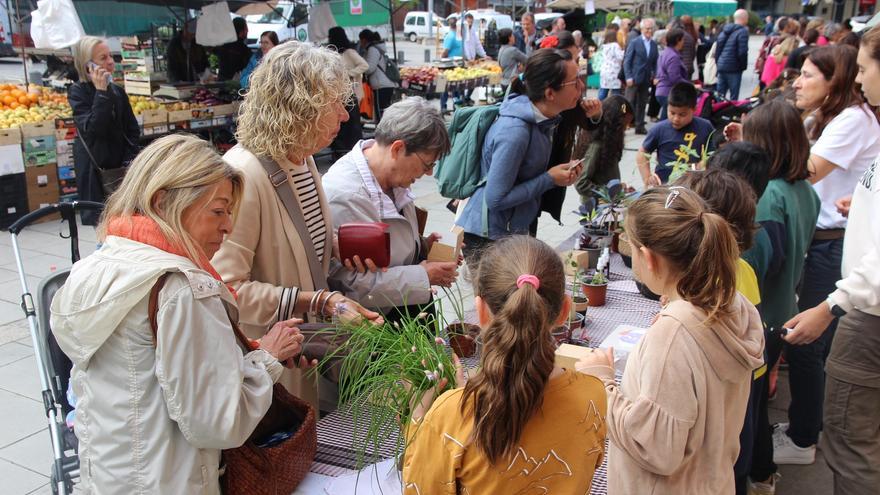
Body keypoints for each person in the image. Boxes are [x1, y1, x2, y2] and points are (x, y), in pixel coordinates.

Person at [50, 134, 308, 493]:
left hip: (113, 477)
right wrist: (267, 358)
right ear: (163, 201)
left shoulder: (99, 263)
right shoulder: (180, 288)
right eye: (218, 210)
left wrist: (237, 352)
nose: (228, 226)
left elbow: (147, 373)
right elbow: (219, 421)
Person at [212, 42, 382, 413]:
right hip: (268, 366)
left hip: (303, 350)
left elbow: (298, 240)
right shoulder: (244, 173)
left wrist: (337, 246)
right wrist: (320, 300)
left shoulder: (300, 160)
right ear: (299, 107)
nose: (343, 115)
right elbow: (228, 290)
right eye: (333, 103)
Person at [577, 185, 764, 494]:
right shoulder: (732, 303)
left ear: (648, 258)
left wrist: (602, 384)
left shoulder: (674, 334)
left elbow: (654, 448)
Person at [402, 236, 607, 494]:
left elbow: (420, 488)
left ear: (481, 310)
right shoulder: (593, 395)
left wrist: (419, 419)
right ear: (565, 311)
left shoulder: (452, 413)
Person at [769, 44, 880, 466]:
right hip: (831, 241)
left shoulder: (852, 119)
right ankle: (804, 430)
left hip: (834, 251)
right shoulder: (835, 117)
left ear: (835, 81)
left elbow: (804, 169)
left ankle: (802, 439)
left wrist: (761, 144)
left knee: (807, 344)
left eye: (809, 75)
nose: (797, 82)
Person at [723, 100, 821, 494]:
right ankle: (763, 474)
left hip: (760, 315)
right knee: (758, 405)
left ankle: (750, 476)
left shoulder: (767, 198)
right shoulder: (803, 190)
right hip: (783, 308)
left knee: (746, 413)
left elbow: (760, 259)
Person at [676, 165, 770, 495]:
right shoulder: (740, 267)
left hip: (725, 404)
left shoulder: (708, 287)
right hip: (746, 388)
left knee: (725, 469)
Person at [324, 98, 457, 320]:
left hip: (405, 305)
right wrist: (424, 275)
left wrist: (422, 247)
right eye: (427, 165)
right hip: (375, 322)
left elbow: (388, 249)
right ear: (397, 148)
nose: (429, 174)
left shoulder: (394, 179)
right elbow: (351, 285)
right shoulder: (345, 195)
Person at [455, 49, 586, 264]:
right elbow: (495, 199)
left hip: (509, 231)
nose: (581, 87)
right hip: (489, 238)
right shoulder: (515, 132)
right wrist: (549, 179)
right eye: (574, 83)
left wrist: (557, 176)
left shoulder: (543, 120)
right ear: (550, 93)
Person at [69, 36, 140, 226]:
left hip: (120, 169)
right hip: (96, 171)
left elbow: (132, 130)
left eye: (110, 56)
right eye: (103, 58)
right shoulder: (78, 92)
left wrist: (129, 160)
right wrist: (101, 93)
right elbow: (94, 130)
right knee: (103, 227)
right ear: (88, 66)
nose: (110, 62)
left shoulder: (117, 91)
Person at [636, 82, 715, 186]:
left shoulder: (705, 126)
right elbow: (642, 153)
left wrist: (703, 164)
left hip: (693, 182)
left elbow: (712, 154)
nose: (676, 119)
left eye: (682, 114)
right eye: (672, 113)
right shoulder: (659, 129)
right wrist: (647, 178)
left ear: (694, 109)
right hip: (664, 183)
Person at [574, 95, 634, 204]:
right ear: (615, 124)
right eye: (625, 125)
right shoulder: (597, 145)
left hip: (607, 205)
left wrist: (619, 187)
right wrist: (607, 192)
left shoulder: (609, 144)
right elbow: (581, 183)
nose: (627, 128)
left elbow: (605, 177)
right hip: (596, 209)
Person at [327, 26, 369, 161]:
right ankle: (338, 150)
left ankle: (351, 151)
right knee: (339, 125)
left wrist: (348, 74)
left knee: (351, 125)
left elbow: (364, 65)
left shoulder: (349, 52)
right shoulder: (332, 53)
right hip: (337, 94)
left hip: (350, 94)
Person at [623, 17, 658, 134]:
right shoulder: (635, 42)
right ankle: (622, 124)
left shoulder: (653, 44)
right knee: (628, 102)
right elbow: (627, 61)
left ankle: (639, 126)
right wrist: (628, 76)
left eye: (651, 29)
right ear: (642, 29)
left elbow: (655, 62)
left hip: (646, 78)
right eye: (647, 28)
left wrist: (655, 75)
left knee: (642, 103)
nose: (649, 31)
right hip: (633, 78)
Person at [714, 9, 751, 99]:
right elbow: (742, 52)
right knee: (734, 96)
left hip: (722, 65)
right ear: (745, 19)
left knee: (720, 94)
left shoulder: (724, 31)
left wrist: (718, 63)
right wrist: (743, 66)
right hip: (734, 68)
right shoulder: (743, 32)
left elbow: (718, 49)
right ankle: (731, 112)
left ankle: (718, 111)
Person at [362, 31, 397, 121]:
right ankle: (387, 132)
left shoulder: (373, 50)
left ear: (364, 40)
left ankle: (383, 132)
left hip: (380, 85)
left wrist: (361, 70)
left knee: (381, 112)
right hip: (386, 84)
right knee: (385, 111)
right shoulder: (378, 48)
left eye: (361, 40)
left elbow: (370, 68)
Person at [656, 29, 690, 120]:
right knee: (665, 123)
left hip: (662, 91)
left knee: (664, 121)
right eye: (682, 39)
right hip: (668, 92)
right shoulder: (673, 56)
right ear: (678, 40)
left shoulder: (665, 53)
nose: (684, 42)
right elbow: (675, 78)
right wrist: (690, 85)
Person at [440, 18, 464, 112]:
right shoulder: (458, 36)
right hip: (457, 64)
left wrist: (440, 60)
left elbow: (445, 51)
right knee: (456, 87)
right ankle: (456, 105)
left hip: (448, 65)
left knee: (444, 86)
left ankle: (443, 106)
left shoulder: (449, 36)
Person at [599, 27, 626, 100]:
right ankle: (614, 107)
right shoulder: (615, 45)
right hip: (614, 71)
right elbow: (620, 57)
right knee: (615, 92)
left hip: (604, 71)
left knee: (603, 91)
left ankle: (599, 105)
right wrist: (624, 51)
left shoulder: (604, 46)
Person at [498, 27, 527, 94]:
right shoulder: (512, 50)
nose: (514, 37)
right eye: (513, 35)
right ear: (510, 38)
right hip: (512, 82)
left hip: (503, 81)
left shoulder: (501, 49)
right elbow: (527, 60)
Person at [679, 15, 699, 79]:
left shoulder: (680, 34)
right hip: (690, 65)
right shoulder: (693, 34)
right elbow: (693, 53)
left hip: (681, 66)